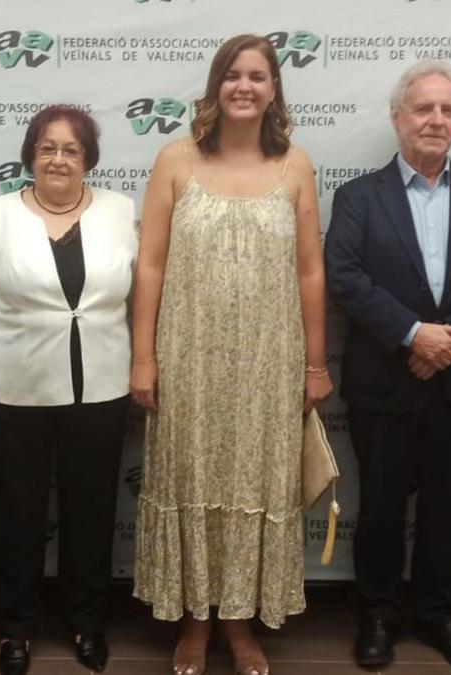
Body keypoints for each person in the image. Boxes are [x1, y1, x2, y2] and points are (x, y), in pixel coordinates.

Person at [130, 34, 332, 675]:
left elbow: (310, 272)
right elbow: (152, 264)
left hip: (269, 361)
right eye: (233, 75)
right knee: (192, 480)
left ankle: (241, 624)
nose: (245, 86)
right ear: (216, 86)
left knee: (256, 484)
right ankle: (194, 623)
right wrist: (143, 358)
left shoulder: (295, 165)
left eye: (259, 76)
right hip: (187, 356)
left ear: (275, 89)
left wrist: (315, 364)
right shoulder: (174, 161)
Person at [325, 60, 451, 672]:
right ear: (397, 117)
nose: (436, 120)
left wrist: (450, 345)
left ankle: (441, 614)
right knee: (381, 507)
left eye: (447, 110)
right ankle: (379, 613)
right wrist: (414, 336)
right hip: (385, 381)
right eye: (423, 108)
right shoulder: (358, 196)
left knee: (446, 508)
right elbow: (345, 276)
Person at [0, 105, 137, 675]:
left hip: (102, 388)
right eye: (48, 148)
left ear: (89, 160)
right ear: (31, 154)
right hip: (18, 391)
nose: (59, 159)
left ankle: (87, 622)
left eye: (72, 150)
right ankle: (15, 629)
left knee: (92, 510)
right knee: (19, 512)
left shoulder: (121, 211)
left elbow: (141, 298)